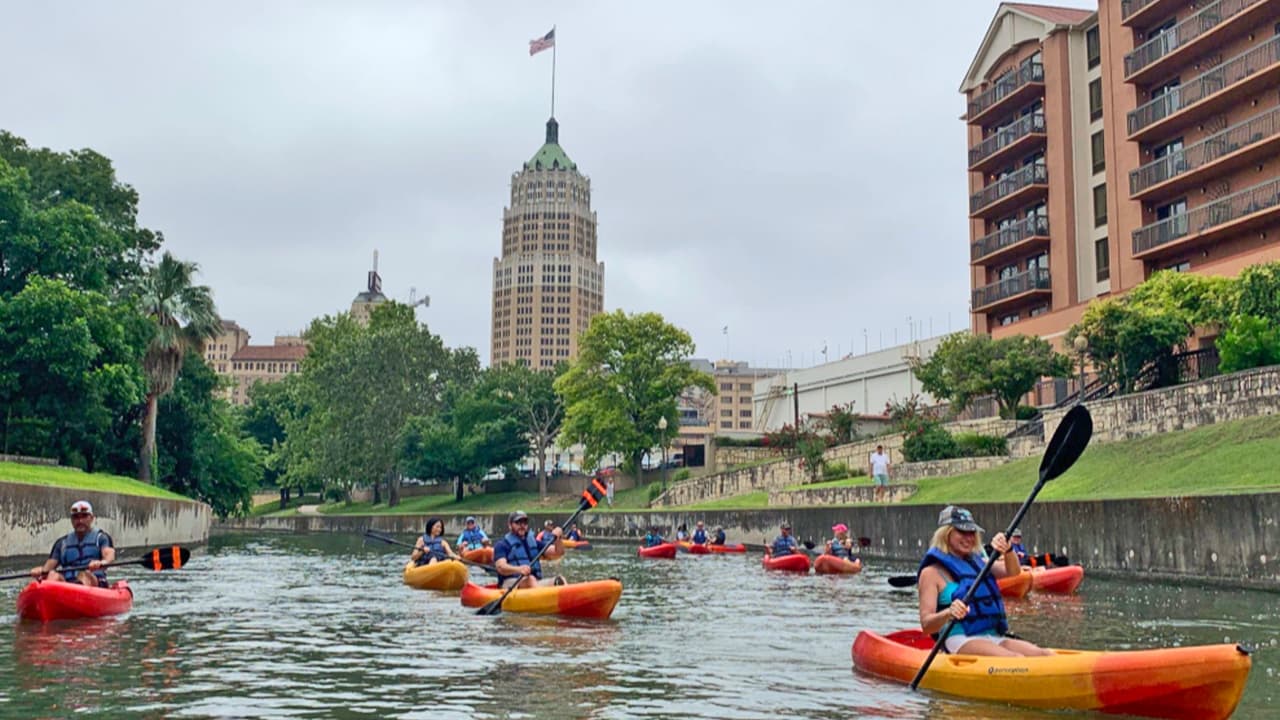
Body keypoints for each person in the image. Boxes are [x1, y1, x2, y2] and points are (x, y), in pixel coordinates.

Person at [917, 506, 1052, 657]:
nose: (969, 537)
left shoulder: (978, 563)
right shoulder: (931, 573)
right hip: (960, 639)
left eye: (971, 532)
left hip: (993, 636)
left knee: (1044, 654)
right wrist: (949, 613)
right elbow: (926, 625)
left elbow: (1013, 571)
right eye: (962, 532)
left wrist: (1007, 550)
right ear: (946, 534)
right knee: (1016, 659)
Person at [30, 500, 116, 587]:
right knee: (52, 575)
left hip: (94, 582)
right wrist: (40, 571)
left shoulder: (101, 538)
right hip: (68, 584)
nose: (80, 521)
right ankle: (50, 596)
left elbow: (109, 557)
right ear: (71, 520)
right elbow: (47, 569)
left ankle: (80, 594)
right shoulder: (61, 543)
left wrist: (101, 563)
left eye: (84, 516)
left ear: (92, 518)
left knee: (84, 575)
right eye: (76, 517)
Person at [493, 510, 564, 588]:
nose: (522, 525)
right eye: (518, 522)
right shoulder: (502, 545)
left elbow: (558, 553)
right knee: (530, 579)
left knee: (559, 580)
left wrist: (558, 539)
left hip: (534, 583)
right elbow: (501, 567)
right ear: (510, 525)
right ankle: (541, 597)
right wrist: (519, 569)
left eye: (525, 522)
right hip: (510, 584)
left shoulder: (534, 542)